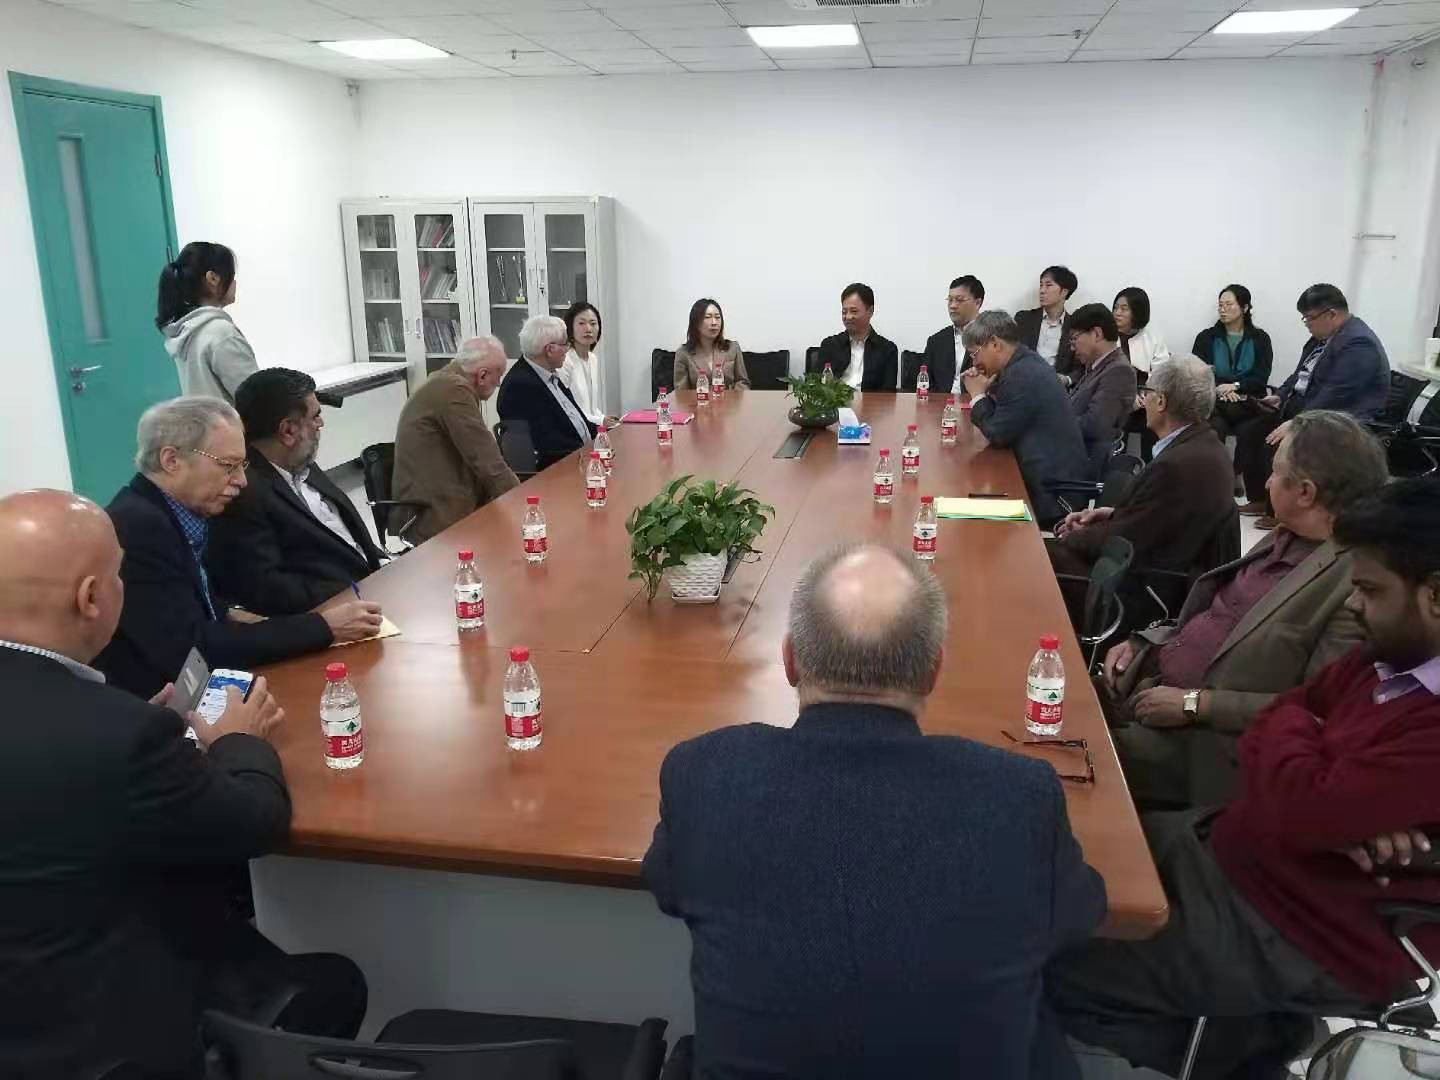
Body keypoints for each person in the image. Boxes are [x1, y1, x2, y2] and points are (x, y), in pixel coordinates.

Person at [644, 542, 1105, 1079]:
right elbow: (1080, 914)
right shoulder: (1020, 795)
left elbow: (668, 886)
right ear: (933, 671)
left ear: (790, 660)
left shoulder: (704, 774)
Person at [1049, 477, 1440, 1079]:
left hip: (1302, 923)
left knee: (1049, 962)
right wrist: (1314, 763)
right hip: (1229, 847)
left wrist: (1308, 771)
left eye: (1368, 589)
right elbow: (1287, 714)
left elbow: (1300, 799)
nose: (1353, 606)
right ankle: (1247, 1029)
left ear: (1434, 595)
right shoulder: (1387, 658)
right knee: (1053, 863)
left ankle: (1243, 1059)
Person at [0, 489, 367, 1080]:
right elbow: (254, 825)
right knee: (333, 984)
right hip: (106, 1038)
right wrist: (237, 740)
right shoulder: (119, 734)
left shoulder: (108, 727)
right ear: (91, 598)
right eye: (119, 575)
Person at [1101, 411, 1388, 809]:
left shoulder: (1356, 586)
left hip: (1201, 746)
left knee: (1062, 756)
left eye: (1275, 472)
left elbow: (1319, 712)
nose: (1266, 482)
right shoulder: (1284, 536)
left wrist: (1195, 704)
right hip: (1149, 684)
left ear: (1305, 493)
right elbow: (1219, 616)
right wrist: (1143, 642)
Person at [93, 397, 383, 699]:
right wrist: (322, 627)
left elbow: (211, 611)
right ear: (171, 460)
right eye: (228, 466)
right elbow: (196, 649)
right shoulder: (138, 529)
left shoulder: (171, 512)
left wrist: (285, 625)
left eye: (242, 465)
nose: (242, 481)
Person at [208, 368, 387, 616]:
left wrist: (384, 565)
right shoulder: (244, 493)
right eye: (315, 416)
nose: (321, 424)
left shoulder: (301, 463)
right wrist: (355, 591)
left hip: (378, 587)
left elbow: (349, 535)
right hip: (338, 612)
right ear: (288, 431)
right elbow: (265, 589)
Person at [1049, 357, 1236, 584]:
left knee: (1042, 558)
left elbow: (1125, 540)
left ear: (1161, 402)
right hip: (1159, 564)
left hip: (1144, 585)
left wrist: (1074, 537)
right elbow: (1156, 519)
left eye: (1146, 392)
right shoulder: (1206, 445)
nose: (1144, 399)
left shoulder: (1175, 466)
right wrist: (1110, 515)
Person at [1234, 284, 1390, 522]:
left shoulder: (1359, 344)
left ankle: (1281, 511)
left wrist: (1299, 423)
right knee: (1250, 431)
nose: (1306, 323)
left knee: (1281, 441)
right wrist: (1280, 396)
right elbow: (1299, 374)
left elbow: (1335, 394)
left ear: (1332, 314)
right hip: (1306, 408)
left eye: (1309, 317)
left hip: (1340, 419)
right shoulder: (1321, 339)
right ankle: (1261, 499)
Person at [961, 311, 1089, 528]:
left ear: (995, 344)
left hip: (1052, 496)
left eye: (974, 354)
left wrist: (977, 395)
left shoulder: (1021, 375)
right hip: (1047, 480)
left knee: (975, 520)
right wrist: (987, 389)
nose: (974, 362)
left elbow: (998, 433)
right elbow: (1004, 417)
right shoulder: (1023, 363)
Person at [393, 336, 519, 545]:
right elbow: (486, 460)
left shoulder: (445, 380)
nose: (498, 383)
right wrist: (523, 500)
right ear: (482, 375)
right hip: (436, 513)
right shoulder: (454, 391)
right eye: (498, 376)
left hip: (439, 499)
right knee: (519, 535)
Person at [157, 241, 257, 404]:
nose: (235, 283)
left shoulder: (186, 330)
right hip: (229, 421)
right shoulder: (221, 333)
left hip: (205, 420)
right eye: (232, 276)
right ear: (213, 278)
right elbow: (258, 401)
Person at [496, 315, 596, 471]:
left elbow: (576, 420)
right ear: (550, 350)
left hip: (582, 457)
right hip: (560, 470)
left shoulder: (549, 373)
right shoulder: (520, 386)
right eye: (565, 344)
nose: (568, 349)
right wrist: (589, 455)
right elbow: (549, 445)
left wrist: (607, 433)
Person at [1190, 285, 1274, 446]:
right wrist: (1220, 388)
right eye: (1220, 305)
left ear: (1245, 308)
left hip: (1249, 401)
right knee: (1213, 429)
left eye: (1229, 304)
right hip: (1216, 402)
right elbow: (1198, 372)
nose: (1223, 309)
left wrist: (1235, 386)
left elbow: (1261, 376)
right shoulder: (1206, 338)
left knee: (1252, 431)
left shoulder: (1260, 339)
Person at [1064, 303, 1137, 477]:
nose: (1072, 348)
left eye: (1074, 339)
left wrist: (1053, 420)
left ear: (1097, 334)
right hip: (1071, 453)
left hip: (1082, 465)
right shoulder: (1097, 365)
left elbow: (1094, 426)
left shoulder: (1119, 371)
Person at [815, 283, 899, 391]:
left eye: (854, 311)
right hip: (837, 400)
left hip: (870, 401)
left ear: (870, 311)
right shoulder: (830, 345)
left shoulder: (887, 349)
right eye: (844, 312)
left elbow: (888, 392)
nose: (848, 317)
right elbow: (818, 386)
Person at [920, 275, 983, 395]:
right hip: (940, 404)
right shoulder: (936, 341)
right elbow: (926, 383)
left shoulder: (991, 339)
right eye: (950, 300)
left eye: (959, 300)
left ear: (977, 303)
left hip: (977, 403)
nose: (952, 306)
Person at [559, 301, 617, 429]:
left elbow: (591, 408)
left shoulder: (593, 359)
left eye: (593, 323)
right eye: (581, 323)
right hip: (574, 430)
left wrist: (603, 418)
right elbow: (568, 410)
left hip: (591, 428)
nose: (588, 329)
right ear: (570, 328)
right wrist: (601, 420)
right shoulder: (564, 361)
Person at [1015, 265, 1079, 379]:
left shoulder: (1074, 326)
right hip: (1022, 381)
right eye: (1041, 285)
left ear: (1064, 292)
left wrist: (1066, 379)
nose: (1042, 290)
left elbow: (1079, 367)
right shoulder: (1024, 319)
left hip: (1055, 385)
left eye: (1048, 285)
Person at [673, 298, 750, 391]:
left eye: (717, 317)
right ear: (696, 322)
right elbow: (681, 393)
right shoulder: (683, 353)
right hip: (698, 400)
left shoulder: (732, 348)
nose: (714, 322)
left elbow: (742, 382)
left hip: (729, 400)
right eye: (708, 317)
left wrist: (731, 397)